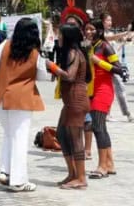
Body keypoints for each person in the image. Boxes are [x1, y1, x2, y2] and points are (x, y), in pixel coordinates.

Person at [0, 17, 51, 192]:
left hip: (0, 97)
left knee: (9, 135)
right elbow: (42, 77)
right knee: (20, 138)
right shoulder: (35, 53)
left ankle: (6, 172)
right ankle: (18, 180)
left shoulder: (5, 45)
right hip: (21, 99)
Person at [50, 23, 90, 189]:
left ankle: (81, 178)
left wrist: (52, 67)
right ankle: (72, 173)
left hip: (76, 100)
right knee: (61, 133)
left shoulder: (73, 53)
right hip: (71, 101)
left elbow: (70, 76)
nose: (58, 38)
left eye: (60, 35)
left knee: (75, 138)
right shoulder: (74, 52)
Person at [87, 18, 124, 178]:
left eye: (92, 29)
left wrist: (99, 63)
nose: (88, 32)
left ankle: (102, 166)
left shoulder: (105, 46)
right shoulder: (90, 46)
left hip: (104, 90)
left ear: (100, 31)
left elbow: (119, 69)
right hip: (92, 90)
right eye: (86, 29)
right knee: (101, 127)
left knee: (97, 127)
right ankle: (109, 164)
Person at [102, 14, 131, 121]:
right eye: (107, 20)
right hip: (103, 66)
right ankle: (106, 113)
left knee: (120, 89)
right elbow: (110, 38)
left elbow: (115, 50)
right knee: (106, 91)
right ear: (102, 21)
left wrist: (124, 41)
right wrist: (125, 32)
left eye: (110, 20)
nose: (110, 22)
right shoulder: (100, 33)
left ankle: (128, 113)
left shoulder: (111, 33)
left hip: (114, 66)